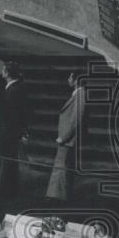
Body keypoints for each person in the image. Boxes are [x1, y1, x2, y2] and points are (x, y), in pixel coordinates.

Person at [46, 70, 86, 201]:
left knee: (62, 168)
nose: (68, 79)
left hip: (68, 140)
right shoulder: (77, 94)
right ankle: (58, 195)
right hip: (68, 139)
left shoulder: (81, 95)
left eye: (70, 77)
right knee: (62, 167)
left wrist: (64, 137)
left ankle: (57, 197)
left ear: (76, 81)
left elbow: (76, 119)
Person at [0, 61, 29, 202]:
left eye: (3, 70)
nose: (1, 72)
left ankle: (2, 193)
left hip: (5, 135)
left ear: (8, 73)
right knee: (8, 163)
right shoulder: (15, 88)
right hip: (7, 133)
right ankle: (8, 190)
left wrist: (18, 133)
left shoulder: (13, 91)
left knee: (4, 164)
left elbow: (13, 116)